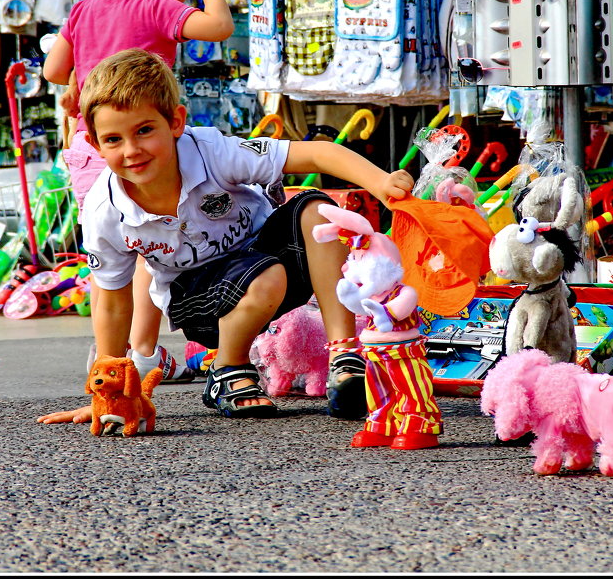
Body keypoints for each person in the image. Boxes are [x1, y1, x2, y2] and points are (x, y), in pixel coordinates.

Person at [39, 49, 414, 421]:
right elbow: (111, 301)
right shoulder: (105, 209)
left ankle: (344, 356)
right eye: (113, 140)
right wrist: (110, 390)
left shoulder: (211, 151)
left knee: (317, 210)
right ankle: (229, 368)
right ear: (95, 145)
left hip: (267, 262)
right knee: (264, 273)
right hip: (198, 301)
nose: (132, 150)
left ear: (175, 122)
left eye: (144, 130)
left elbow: (317, 154)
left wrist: (381, 183)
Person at [40, 0, 233, 391]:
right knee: (150, 247)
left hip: (91, 150)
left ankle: (108, 356)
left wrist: (80, 82)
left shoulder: (87, 7)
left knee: (110, 253)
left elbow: (54, 71)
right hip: (143, 149)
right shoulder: (154, 5)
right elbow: (218, 28)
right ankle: (143, 353)